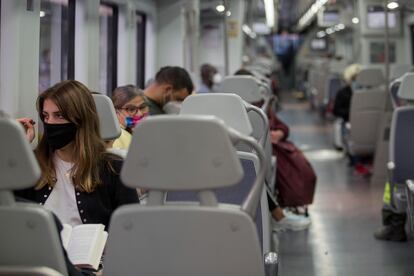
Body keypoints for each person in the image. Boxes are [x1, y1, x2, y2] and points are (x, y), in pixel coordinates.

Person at [15, 80, 139, 230]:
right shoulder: (32, 165)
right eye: (46, 116)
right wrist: (18, 148)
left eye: (59, 115)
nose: (50, 123)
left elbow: (132, 229)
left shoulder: (113, 169)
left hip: (94, 253)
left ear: (81, 120)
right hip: (41, 251)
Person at [235, 69, 312, 231]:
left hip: (265, 149)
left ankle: (283, 208)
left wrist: (279, 133)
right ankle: (279, 213)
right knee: (256, 169)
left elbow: (283, 126)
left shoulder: (259, 108)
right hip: (247, 157)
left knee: (300, 166)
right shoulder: (235, 110)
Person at [111, 85, 149, 150]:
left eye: (142, 107)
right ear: (116, 111)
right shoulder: (116, 138)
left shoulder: (147, 132)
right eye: (131, 109)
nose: (139, 114)